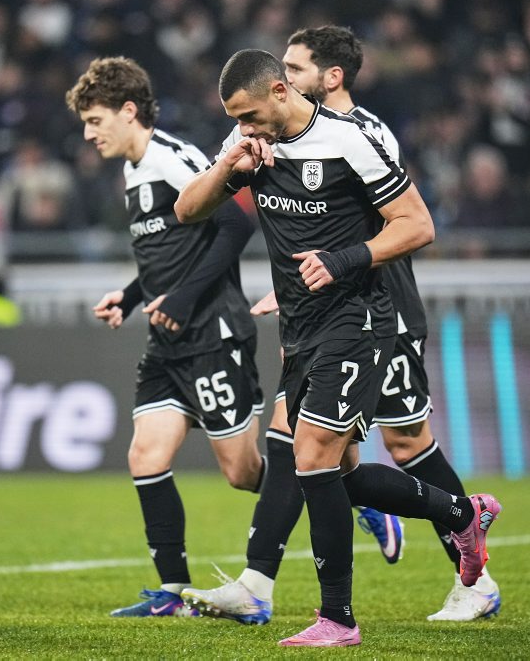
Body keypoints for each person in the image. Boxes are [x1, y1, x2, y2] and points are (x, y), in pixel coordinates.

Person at [174, 49, 502, 647]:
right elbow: (187, 209)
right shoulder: (249, 141)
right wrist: (230, 164)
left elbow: (418, 224)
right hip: (298, 331)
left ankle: (337, 619)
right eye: (235, 119)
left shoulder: (349, 141)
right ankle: (462, 514)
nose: (243, 126)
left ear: (279, 91)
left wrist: (344, 258)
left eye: (248, 115)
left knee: (310, 456)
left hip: (358, 321)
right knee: (338, 474)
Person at [65, 57, 266, 617]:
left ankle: (351, 493)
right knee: (146, 454)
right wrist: (130, 298)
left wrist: (179, 300)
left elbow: (234, 226)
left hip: (212, 331)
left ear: (130, 111)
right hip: (169, 340)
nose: (89, 133)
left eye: (96, 119)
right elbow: (171, 255)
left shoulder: (172, 159)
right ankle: (174, 593)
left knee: (242, 473)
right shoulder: (131, 170)